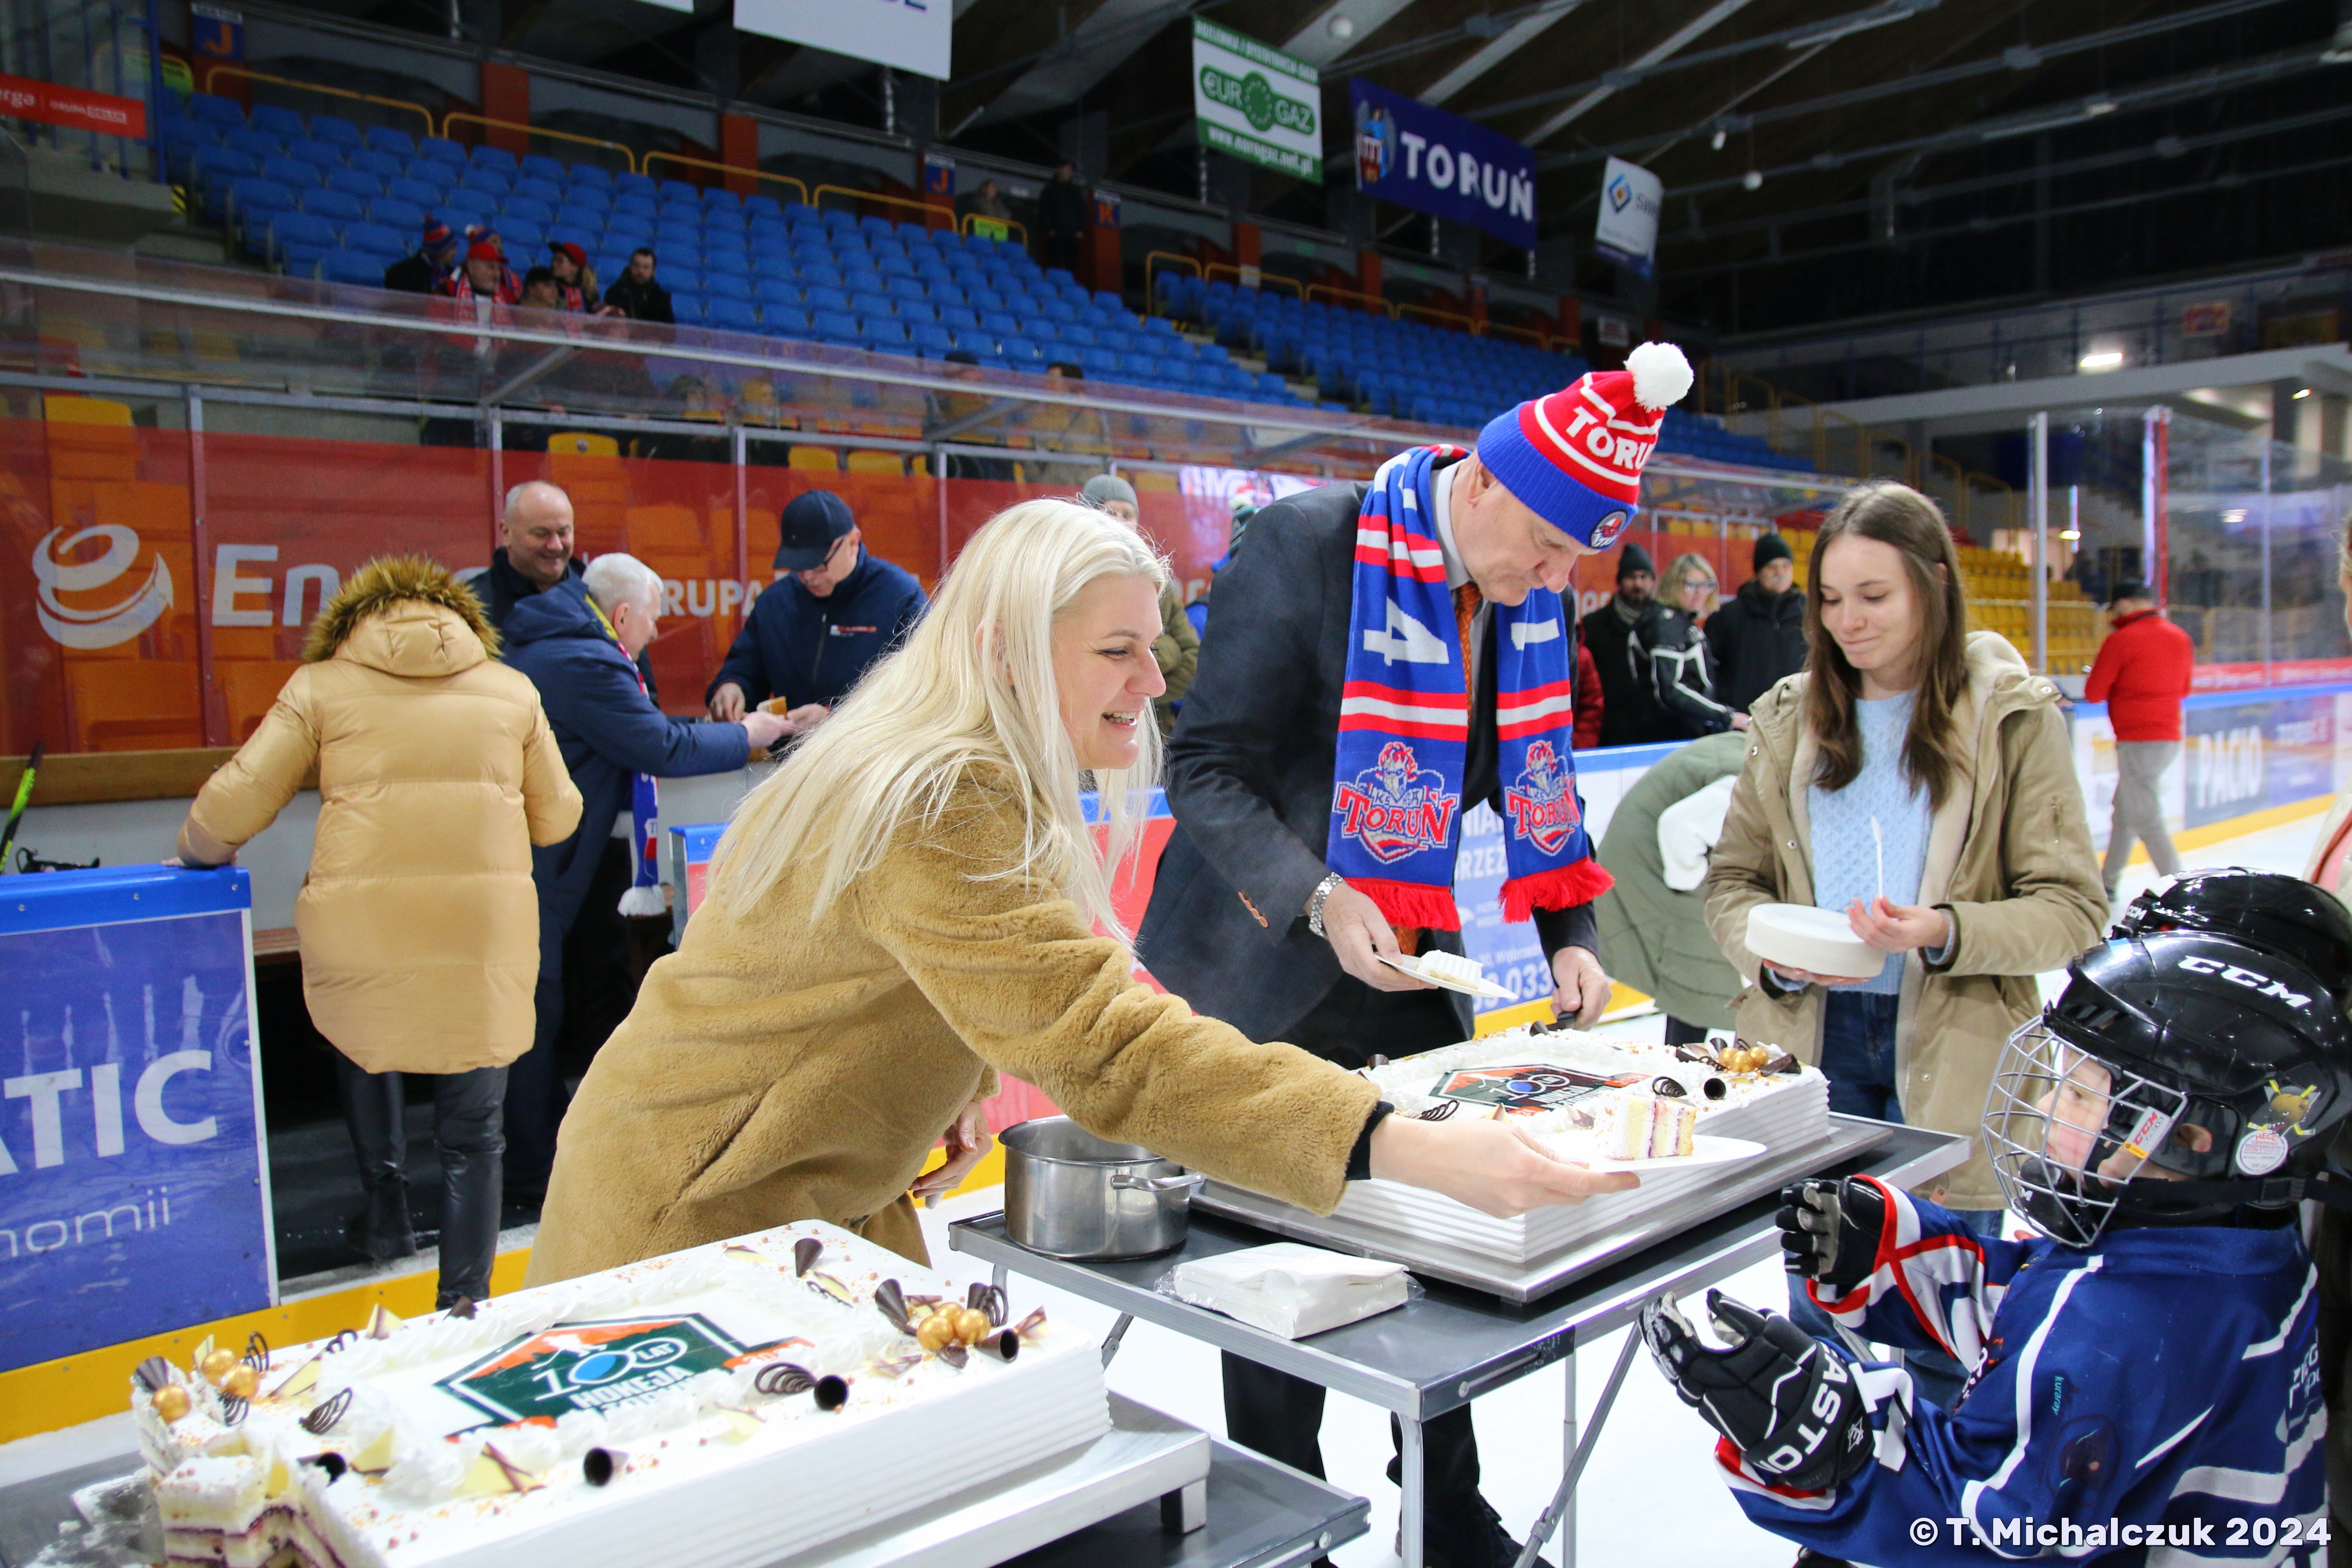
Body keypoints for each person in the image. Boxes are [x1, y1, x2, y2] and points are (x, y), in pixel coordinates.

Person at [524, 498, 1635, 1295]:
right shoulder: (940, 794)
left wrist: (939, 1069)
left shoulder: (949, 758)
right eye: (1117, 651)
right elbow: (1110, 1046)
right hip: (692, 1221)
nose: (1154, 686)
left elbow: (821, 962)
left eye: (1152, 649)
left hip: (807, 1198)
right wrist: (1406, 1146)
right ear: (1004, 650)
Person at [1140, 343, 1698, 1568]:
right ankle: (1288, 1523)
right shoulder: (1309, 546)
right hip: (1266, 966)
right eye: (1546, 551)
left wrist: (1572, 934)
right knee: (1276, 1268)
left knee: (1439, 1243)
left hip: (1410, 963)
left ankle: (1449, 1511)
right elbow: (1207, 768)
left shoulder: (1526, 596)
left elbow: (1533, 793)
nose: (1551, 583)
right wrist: (1321, 893)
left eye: (1571, 565)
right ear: (1490, 484)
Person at [1644, 930, 2337, 1565]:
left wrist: (1833, 1441)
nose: (2050, 1103)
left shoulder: (2123, 1332)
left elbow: (1978, 1535)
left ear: (2189, 1137)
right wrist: (1898, 1255)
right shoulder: (2240, 1250)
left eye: (2081, 1091)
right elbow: (2042, 1314)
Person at [1701, 480, 2105, 1411]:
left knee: (1947, 1333)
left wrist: (1944, 933)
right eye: (1831, 601)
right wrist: (1765, 953)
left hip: (1959, 1061)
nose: (1849, 623)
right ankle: (1835, 1523)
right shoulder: (1787, 717)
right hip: (1810, 1056)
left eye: (1874, 597)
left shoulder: (2011, 715)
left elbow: (2073, 908)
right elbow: (1732, 884)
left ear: (1933, 585)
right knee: (1817, 1321)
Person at [172, 557, 581, 1307]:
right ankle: (463, 1301)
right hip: (481, 927)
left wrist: (199, 848)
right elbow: (558, 816)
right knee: (473, 1128)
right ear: (462, 622)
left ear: (353, 622)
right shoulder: (510, 689)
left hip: (361, 918)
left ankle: (387, 1216)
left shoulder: (321, 685)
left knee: (367, 1043)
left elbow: (238, 798)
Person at [499, 555, 792, 1202]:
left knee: (548, 1005)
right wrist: (750, 734)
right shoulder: (585, 659)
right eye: (655, 617)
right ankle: (526, 1170)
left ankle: (535, 1153)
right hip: (535, 867)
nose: (658, 632)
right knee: (531, 1015)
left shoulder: (564, 644)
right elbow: (658, 745)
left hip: (548, 861)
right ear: (624, 614)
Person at [705, 490, 928, 734]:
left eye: (819, 565)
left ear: (853, 542)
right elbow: (746, 665)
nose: (808, 576)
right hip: (790, 758)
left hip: (872, 756)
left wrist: (836, 717)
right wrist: (732, 686)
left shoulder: (900, 597)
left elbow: (926, 690)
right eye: (798, 566)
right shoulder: (775, 603)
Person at [1595, 729, 1749, 1047]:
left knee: (1702, 964)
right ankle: (1683, 1062)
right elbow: (1681, 825)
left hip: (1652, 853)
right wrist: (1693, 880)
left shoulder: (1751, 755)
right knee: (1699, 960)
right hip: (1653, 860)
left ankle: (1694, 1057)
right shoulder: (1745, 777)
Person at [2082, 579, 2193, 901]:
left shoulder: (2122, 640)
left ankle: (2177, 886)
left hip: (2137, 738)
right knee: (2126, 809)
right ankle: (2108, 881)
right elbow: (2184, 688)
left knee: (2144, 814)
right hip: (2168, 736)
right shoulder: (2180, 637)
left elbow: (2094, 691)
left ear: (2126, 604)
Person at [1080, 475, 1196, 736]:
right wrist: (1168, 649)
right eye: (1109, 512)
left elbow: (1193, 661)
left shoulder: (1157, 584)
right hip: (1084, 731)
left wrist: (1135, 699)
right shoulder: (1072, 582)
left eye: (1128, 514)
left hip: (1150, 730)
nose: (1120, 522)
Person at [1582, 543, 1701, 747]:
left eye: (1644, 577)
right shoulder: (1594, 626)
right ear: (1619, 582)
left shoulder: (1668, 623)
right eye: (1631, 577)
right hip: (1612, 732)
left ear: (1654, 581)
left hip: (1662, 733)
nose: (1638, 584)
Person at [1706, 530, 1808, 713]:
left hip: (1799, 715)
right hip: (1747, 719)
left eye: (1786, 565)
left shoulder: (1811, 612)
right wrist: (1728, 704)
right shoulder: (1728, 616)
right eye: (1772, 566)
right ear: (1758, 572)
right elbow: (1710, 668)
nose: (1781, 573)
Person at [464, 480, 583, 633]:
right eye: (541, 534)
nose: (556, 545)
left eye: (563, 533)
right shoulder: (472, 606)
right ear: (506, 533)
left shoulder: (597, 594)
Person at [1647, 550, 1742, 737]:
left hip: (1688, 733)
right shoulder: (1667, 624)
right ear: (1673, 585)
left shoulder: (1683, 622)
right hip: (1669, 736)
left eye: (1707, 585)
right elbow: (1670, 689)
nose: (1701, 593)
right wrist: (1726, 716)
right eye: (1691, 586)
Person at [1038, 160, 1090, 275]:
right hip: (1056, 235)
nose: (1069, 172)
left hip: (1072, 236)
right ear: (1059, 169)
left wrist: (1080, 230)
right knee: (1054, 266)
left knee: (1071, 268)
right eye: (1067, 169)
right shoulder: (1049, 190)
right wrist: (1050, 229)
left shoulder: (1076, 191)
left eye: (1070, 170)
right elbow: (1044, 211)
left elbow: (1082, 212)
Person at [383, 217, 457, 295]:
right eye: (452, 249)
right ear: (439, 251)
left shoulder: (453, 275)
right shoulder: (401, 274)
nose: (455, 253)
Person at [602, 247, 674, 324]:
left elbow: (669, 332)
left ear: (653, 271)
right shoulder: (615, 293)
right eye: (637, 266)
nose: (640, 271)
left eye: (646, 267)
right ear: (630, 267)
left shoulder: (662, 300)